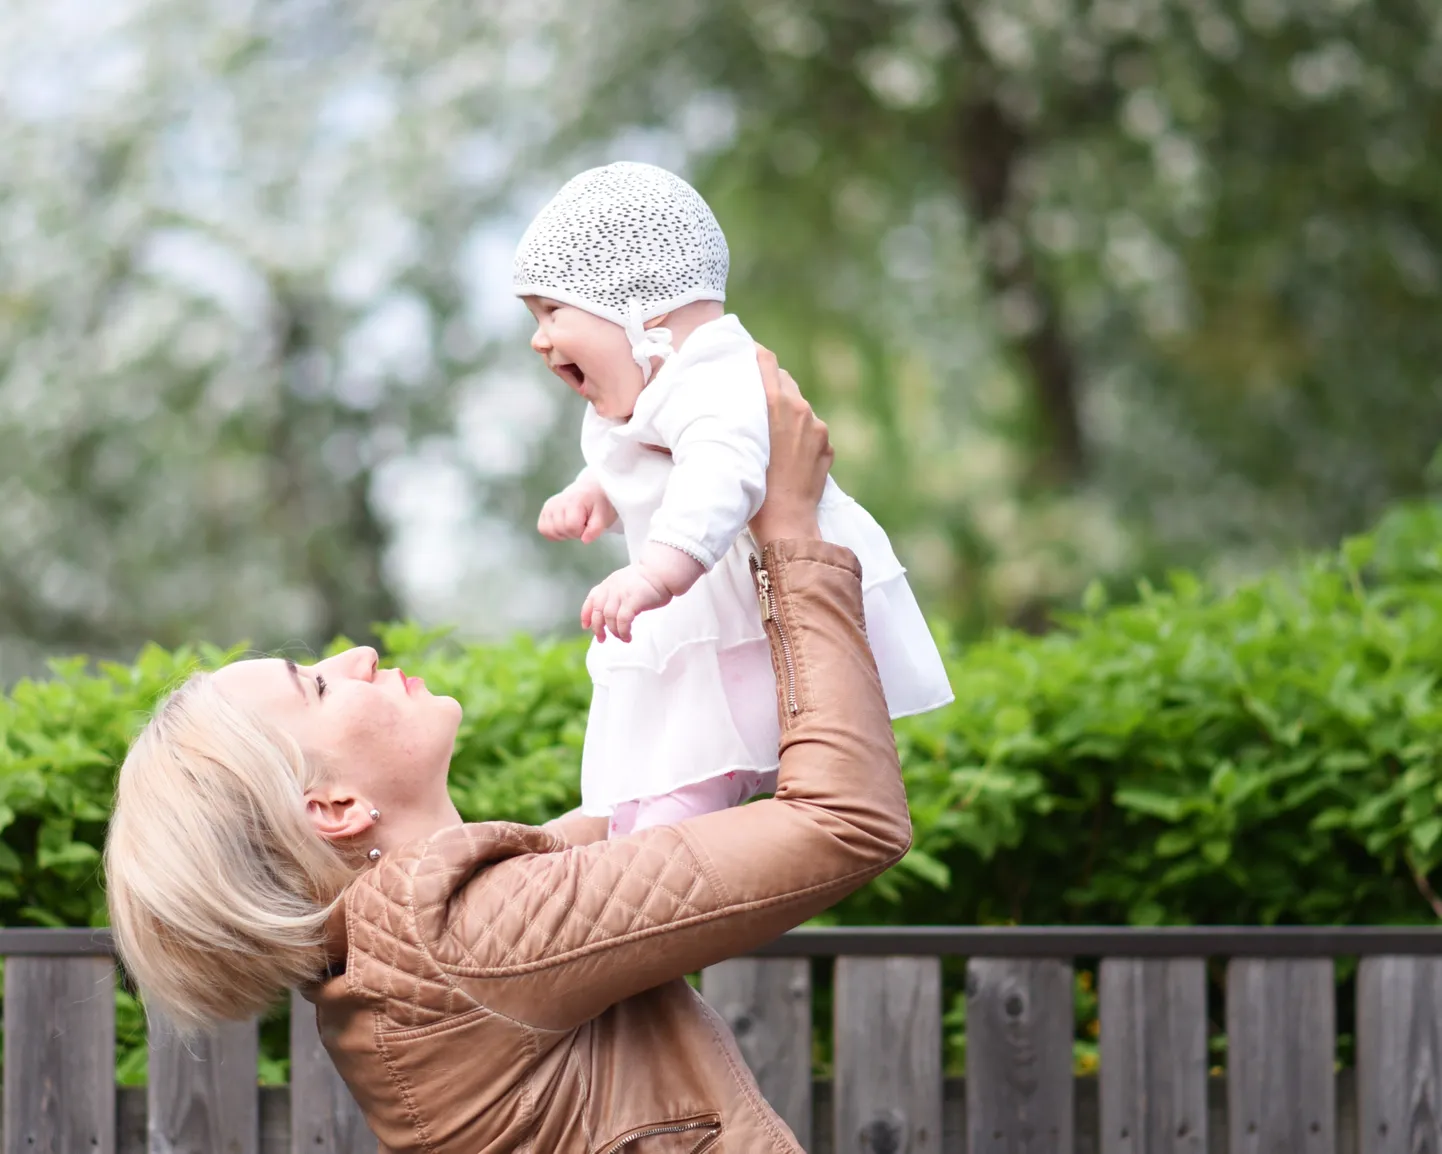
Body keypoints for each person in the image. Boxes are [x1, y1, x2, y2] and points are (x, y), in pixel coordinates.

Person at [104, 352, 912, 1152]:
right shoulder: (461, 940)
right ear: (333, 807)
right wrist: (793, 532)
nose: (355, 657)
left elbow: (658, 804)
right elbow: (845, 821)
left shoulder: (411, 959)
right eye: (316, 686)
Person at [516, 160, 952, 836]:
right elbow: (633, 454)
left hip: (753, 616)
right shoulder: (646, 389)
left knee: (681, 787)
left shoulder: (714, 374)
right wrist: (591, 491)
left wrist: (655, 572)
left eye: (551, 311)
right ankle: (637, 847)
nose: (538, 339)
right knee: (646, 788)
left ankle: (649, 863)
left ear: (639, 308)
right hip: (723, 618)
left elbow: (720, 474)